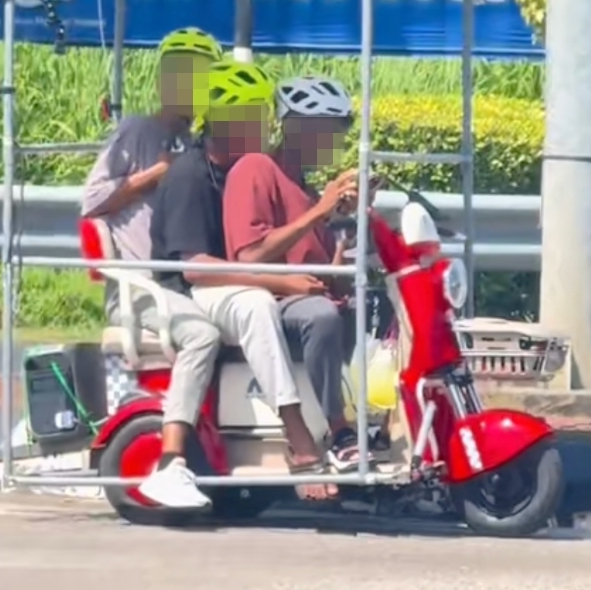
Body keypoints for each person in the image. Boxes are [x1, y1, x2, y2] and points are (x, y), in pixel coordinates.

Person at [149, 60, 340, 501]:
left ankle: (338, 425)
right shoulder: (190, 175)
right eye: (249, 119)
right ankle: (295, 437)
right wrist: (282, 284)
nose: (261, 128)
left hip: (218, 285)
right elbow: (196, 269)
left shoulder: (244, 171)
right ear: (222, 122)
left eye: (261, 117)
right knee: (249, 307)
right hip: (182, 292)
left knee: (264, 300)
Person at [80, 27, 224, 509]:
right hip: (146, 291)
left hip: (178, 278)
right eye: (184, 76)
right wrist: (153, 175)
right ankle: (171, 460)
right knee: (204, 335)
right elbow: (93, 199)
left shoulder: (192, 140)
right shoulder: (141, 130)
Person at [221, 76, 373, 472]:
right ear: (298, 131)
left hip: (308, 295)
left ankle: (379, 415)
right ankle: (339, 431)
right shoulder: (255, 169)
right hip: (269, 302)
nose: (336, 144)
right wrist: (320, 212)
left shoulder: (306, 189)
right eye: (330, 134)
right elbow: (249, 256)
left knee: (374, 303)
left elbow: (328, 275)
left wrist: (345, 227)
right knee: (320, 315)